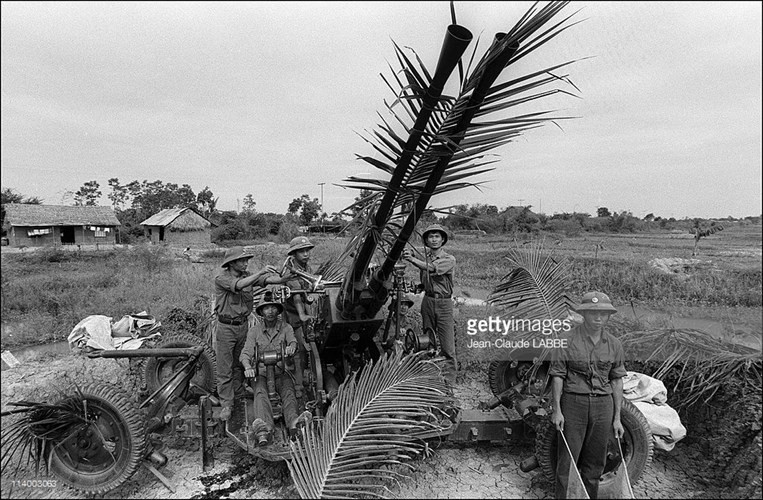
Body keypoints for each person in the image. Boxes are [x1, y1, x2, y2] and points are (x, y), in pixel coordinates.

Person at [548, 291, 627, 499]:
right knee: (567, 463)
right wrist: (557, 410)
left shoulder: (614, 344)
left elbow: (617, 379)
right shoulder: (565, 340)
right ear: (584, 314)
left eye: (603, 314)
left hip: (603, 406)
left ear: (609, 316)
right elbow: (557, 375)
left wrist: (617, 418)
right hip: (574, 403)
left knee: (595, 464)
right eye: (593, 313)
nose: (598, 318)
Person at [214, 246, 291, 421]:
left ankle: (239, 390)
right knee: (225, 367)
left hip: (243, 325)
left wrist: (283, 278)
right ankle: (227, 403)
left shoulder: (246, 275)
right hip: (226, 327)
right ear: (232, 263)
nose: (246, 263)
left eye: (247, 260)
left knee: (242, 362)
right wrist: (260, 272)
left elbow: (267, 279)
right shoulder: (222, 279)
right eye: (242, 260)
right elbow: (240, 286)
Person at [240, 292, 311, 445]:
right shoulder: (254, 331)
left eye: (273, 308)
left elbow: (293, 342)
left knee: (288, 392)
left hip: (280, 372)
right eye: (266, 308)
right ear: (261, 312)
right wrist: (247, 367)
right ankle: (265, 428)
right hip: (261, 374)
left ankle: (294, 425)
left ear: (278, 311)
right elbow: (246, 353)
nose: (270, 311)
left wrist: (292, 348)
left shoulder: (286, 328)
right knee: (260, 392)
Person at [402, 224, 457, 385]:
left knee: (447, 347)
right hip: (428, 301)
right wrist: (419, 286)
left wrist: (411, 258)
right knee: (427, 341)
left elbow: (432, 269)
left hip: (444, 303)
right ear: (426, 240)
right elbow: (428, 279)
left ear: (442, 240)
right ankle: (430, 378)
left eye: (437, 236)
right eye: (430, 236)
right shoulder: (426, 258)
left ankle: (449, 384)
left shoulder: (449, 259)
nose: (433, 239)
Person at [280, 236, 317, 399]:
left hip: (306, 311)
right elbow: (296, 295)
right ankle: (298, 384)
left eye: (307, 250)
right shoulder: (290, 270)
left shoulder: (306, 267)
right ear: (294, 253)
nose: (306, 254)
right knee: (298, 349)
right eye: (301, 251)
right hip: (292, 314)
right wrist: (303, 315)